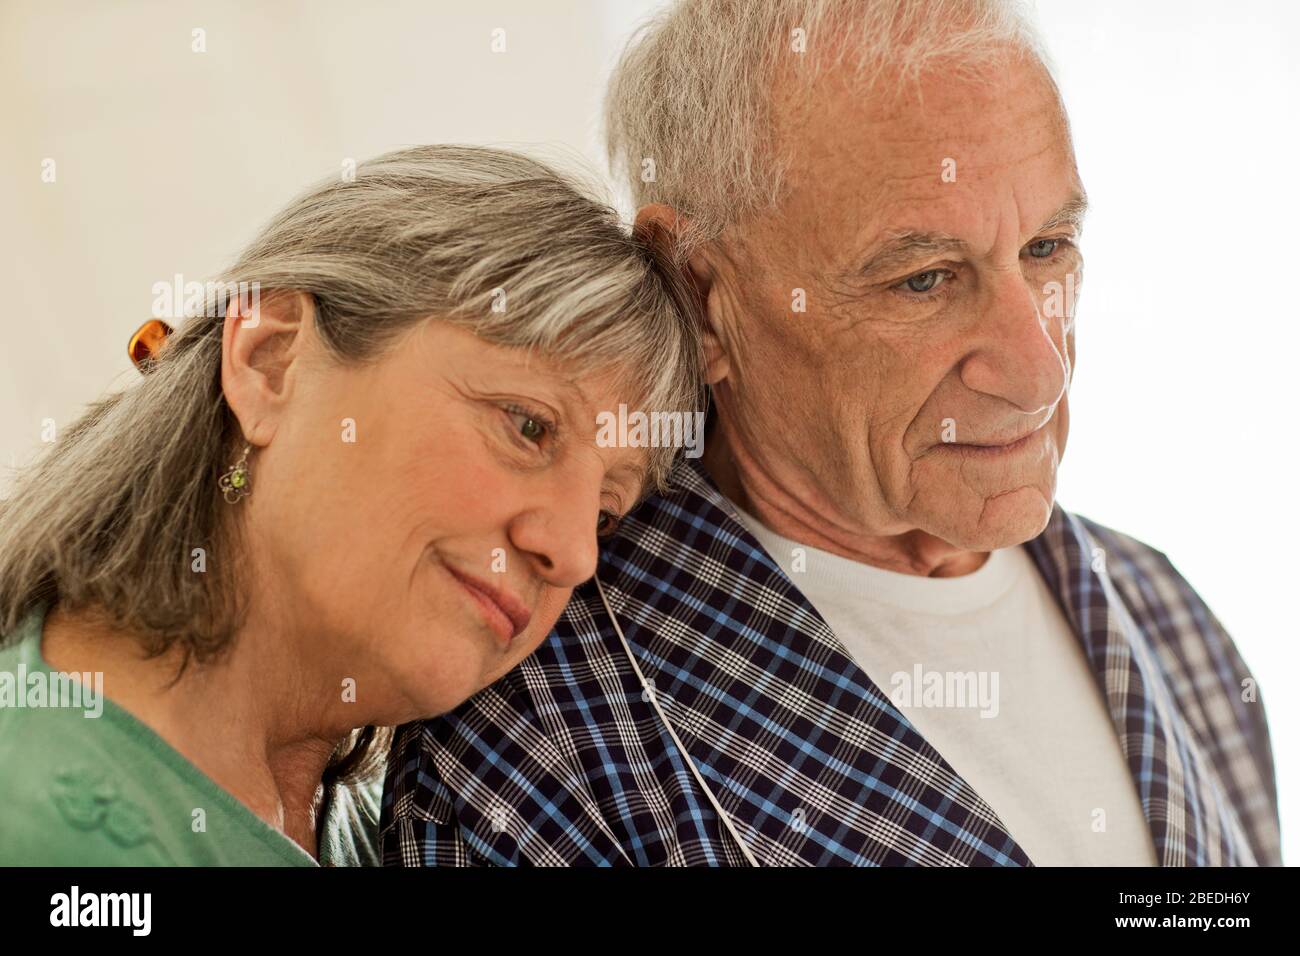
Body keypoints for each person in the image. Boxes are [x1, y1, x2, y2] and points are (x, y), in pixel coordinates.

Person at [383, 0, 1282, 866]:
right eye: (925, 280)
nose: (1039, 370)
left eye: (1047, 248)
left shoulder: (1162, 613)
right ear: (700, 294)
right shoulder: (540, 754)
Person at [0, 145, 702, 865]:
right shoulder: (40, 825)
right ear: (270, 363)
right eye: (528, 425)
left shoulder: (387, 829)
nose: (576, 554)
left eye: (604, 514)